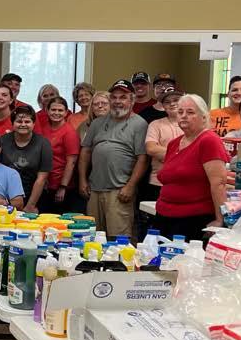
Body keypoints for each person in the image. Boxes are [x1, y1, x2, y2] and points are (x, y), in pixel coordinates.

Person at [152, 94, 230, 241]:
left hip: (192, 220)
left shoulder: (209, 141)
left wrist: (220, 220)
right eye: (180, 112)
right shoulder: (174, 143)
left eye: (190, 112)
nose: (184, 116)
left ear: (204, 117)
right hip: (164, 216)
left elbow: (219, 183)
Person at [78, 79, 148, 239]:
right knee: (93, 237)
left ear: (132, 100)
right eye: (114, 97)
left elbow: (143, 159)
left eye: (123, 97)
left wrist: (130, 186)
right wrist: (82, 180)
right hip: (94, 190)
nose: (117, 101)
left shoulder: (139, 124)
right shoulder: (97, 123)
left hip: (119, 190)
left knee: (119, 239)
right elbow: (86, 151)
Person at [0, 106, 52, 213]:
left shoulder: (43, 143)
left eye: (27, 121)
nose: (23, 124)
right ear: (12, 124)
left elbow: (41, 179)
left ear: (33, 124)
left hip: (35, 197)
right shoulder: (2, 141)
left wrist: (30, 206)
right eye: (19, 121)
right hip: (7, 196)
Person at [143, 89, 183, 212]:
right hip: (158, 183)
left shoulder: (193, 124)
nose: (172, 104)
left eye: (176, 100)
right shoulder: (155, 125)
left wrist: (165, 155)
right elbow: (151, 149)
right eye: (167, 102)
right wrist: (184, 157)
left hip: (184, 184)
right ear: (163, 106)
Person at [39, 97, 79, 214]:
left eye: (60, 110)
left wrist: (63, 187)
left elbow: (71, 162)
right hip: (45, 183)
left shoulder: (69, 132)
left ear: (66, 112)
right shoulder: (44, 128)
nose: (56, 113)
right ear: (47, 110)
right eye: (53, 110)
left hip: (61, 186)